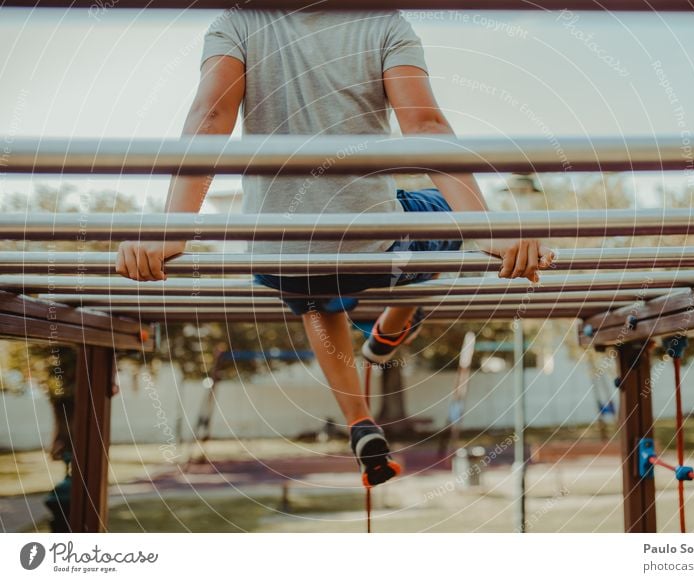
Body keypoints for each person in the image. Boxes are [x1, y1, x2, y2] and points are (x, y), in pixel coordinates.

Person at [116, 9, 553, 488]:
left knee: (313, 283)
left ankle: (359, 421)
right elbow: (425, 126)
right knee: (439, 213)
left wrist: (172, 231)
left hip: (278, 252)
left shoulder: (237, 21)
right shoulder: (383, 23)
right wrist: (488, 231)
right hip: (374, 240)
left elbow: (210, 117)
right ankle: (391, 326)